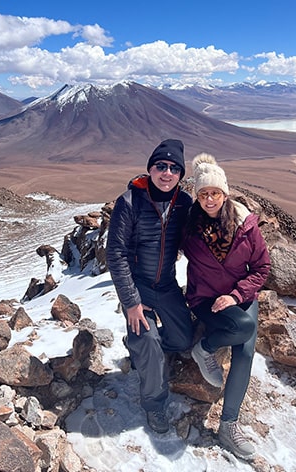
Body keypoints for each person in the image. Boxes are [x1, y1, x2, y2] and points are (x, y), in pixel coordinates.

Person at [181, 153, 270, 458]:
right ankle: (205, 349)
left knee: (245, 346)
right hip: (204, 296)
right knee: (244, 328)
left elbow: (262, 267)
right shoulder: (189, 225)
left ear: (225, 193)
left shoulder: (246, 224)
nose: (209, 200)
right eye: (203, 194)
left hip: (238, 296)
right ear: (197, 196)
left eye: (215, 193)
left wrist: (236, 295)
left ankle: (228, 425)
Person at [106, 139, 193, 434]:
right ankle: (154, 404)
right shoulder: (129, 202)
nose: (166, 173)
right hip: (138, 286)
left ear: (181, 174)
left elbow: (196, 240)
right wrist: (131, 302)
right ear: (150, 169)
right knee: (150, 342)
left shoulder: (184, 203)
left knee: (182, 341)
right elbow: (115, 253)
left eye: (173, 168)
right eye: (161, 166)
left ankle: (139, 348)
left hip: (167, 285)